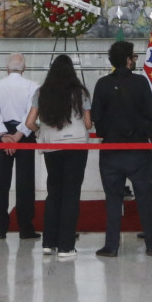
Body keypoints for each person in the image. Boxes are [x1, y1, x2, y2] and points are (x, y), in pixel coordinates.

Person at [89, 40, 152, 257]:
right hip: (138, 149)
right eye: (134, 56)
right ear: (128, 60)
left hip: (111, 150)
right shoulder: (140, 82)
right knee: (145, 199)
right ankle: (151, 244)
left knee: (113, 200)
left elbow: (96, 117)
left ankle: (111, 246)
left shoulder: (102, 84)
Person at [22, 54, 91, 260]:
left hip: (52, 146)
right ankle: (66, 246)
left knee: (54, 193)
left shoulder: (42, 92)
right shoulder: (80, 93)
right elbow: (88, 124)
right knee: (71, 195)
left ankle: (48, 243)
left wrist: (38, 131)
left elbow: (29, 122)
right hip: (76, 146)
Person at [0, 53, 40, 239]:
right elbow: (30, 115)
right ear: (24, 68)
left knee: (1, 182)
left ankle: (0, 229)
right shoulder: (33, 86)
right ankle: (26, 228)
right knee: (25, 183)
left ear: (6, 68)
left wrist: (4, 137)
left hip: (3, 136)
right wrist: (17, 137)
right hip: (23, 135)